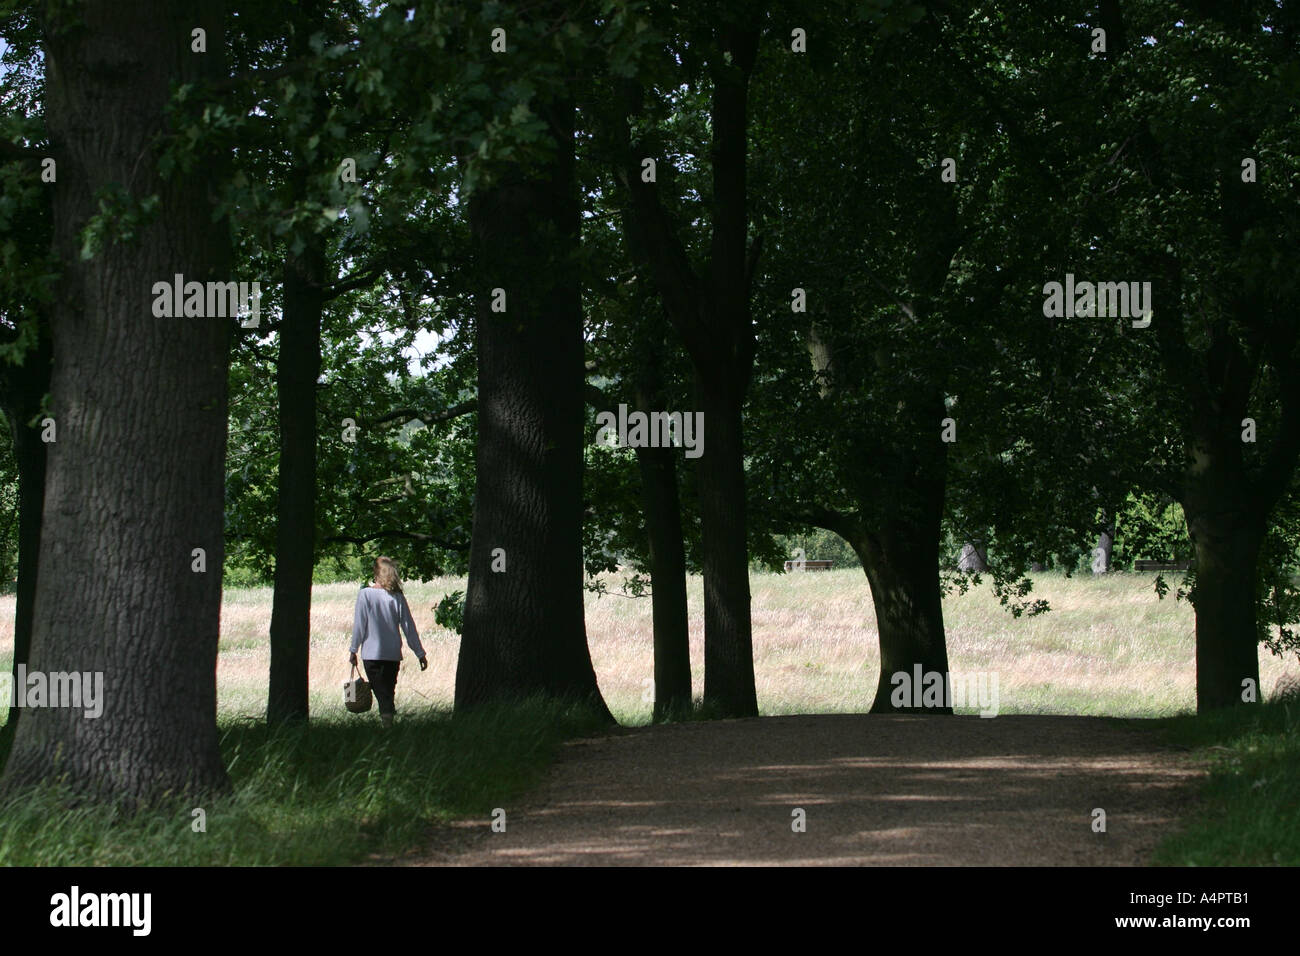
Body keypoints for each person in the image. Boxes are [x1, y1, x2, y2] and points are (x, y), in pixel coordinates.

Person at [349, 556, 427, 727]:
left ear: (375, 572)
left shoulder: (365, 595)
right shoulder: (397, 597)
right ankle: (389, 722)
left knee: (381, 691)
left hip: (371, 654)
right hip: (392, 654)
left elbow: (359, 625)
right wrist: (419, 653)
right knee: (387, 691)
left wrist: (353, 649)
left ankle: (387, 724)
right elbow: (409, 627)